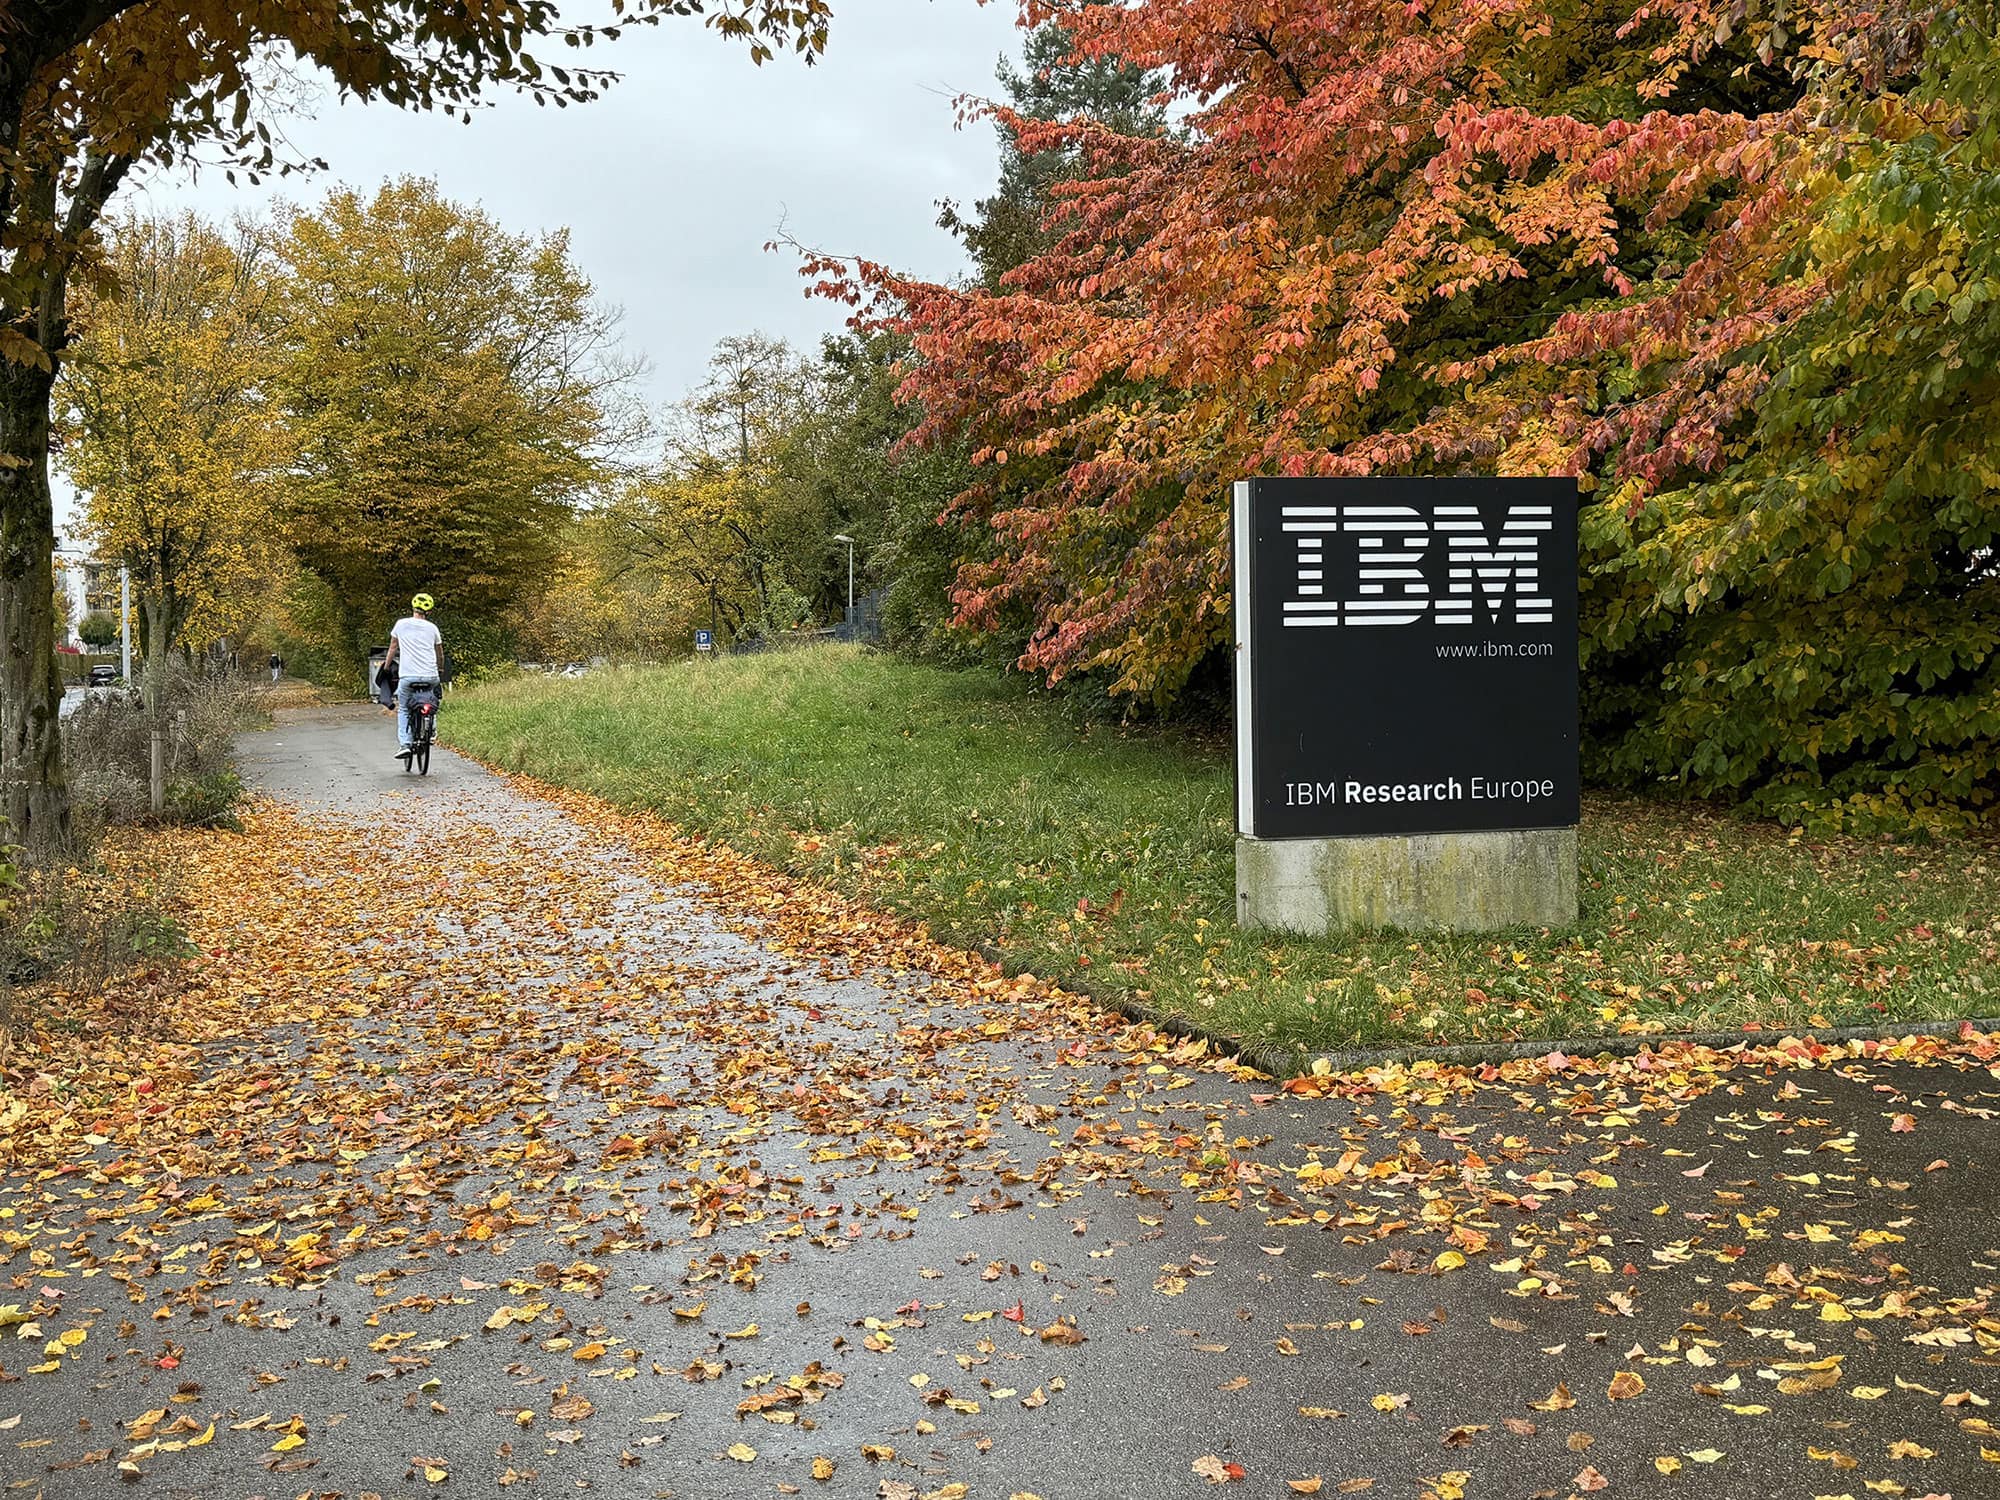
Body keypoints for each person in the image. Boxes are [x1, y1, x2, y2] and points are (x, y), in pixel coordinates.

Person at [382, 593, 444, 763]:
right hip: (430, 675)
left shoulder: (400, 624)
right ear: (428, 610)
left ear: (413, 608)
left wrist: (386, 668)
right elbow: (440, 653)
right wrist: (440, 669)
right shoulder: (433, 628)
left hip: (408, 676)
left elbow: (392, 648)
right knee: (433, 699)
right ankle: (431, 730)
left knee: (404, 708)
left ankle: (406, 744)